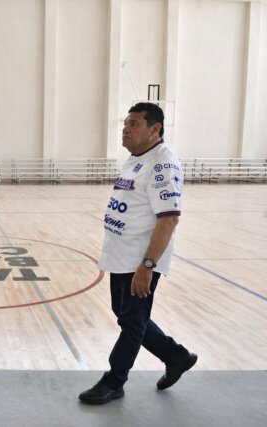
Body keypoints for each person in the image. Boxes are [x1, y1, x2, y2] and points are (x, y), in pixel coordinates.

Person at [78, 102, 197, 405]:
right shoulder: (136, 159)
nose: (126, 129)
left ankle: (114, 381)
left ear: (155, 129)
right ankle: (176, 356)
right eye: (126, 123)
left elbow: (169, 219)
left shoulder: (162, 165)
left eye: (134, 124)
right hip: (122, 254)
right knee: (127, 315)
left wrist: (147, 266)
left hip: (140, 260)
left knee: (132, 322)